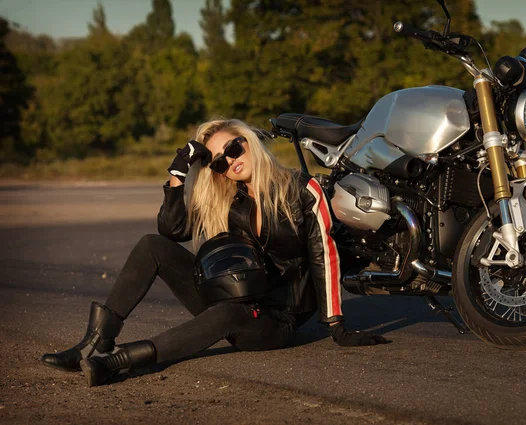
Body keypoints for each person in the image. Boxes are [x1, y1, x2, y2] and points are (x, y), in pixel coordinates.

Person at [41, 118, 390, 387]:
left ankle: (116, 363)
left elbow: (322, 253)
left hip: (275, 319)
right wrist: (179, 173)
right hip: (233, 294)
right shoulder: (227, 199)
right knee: (151, 245)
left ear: (248, 141)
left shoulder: (301, 188)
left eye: (234, 149)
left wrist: (337, 326)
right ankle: (93, 344)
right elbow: (172, 230)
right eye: (220, 162)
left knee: (227, 315)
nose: (230, 162)